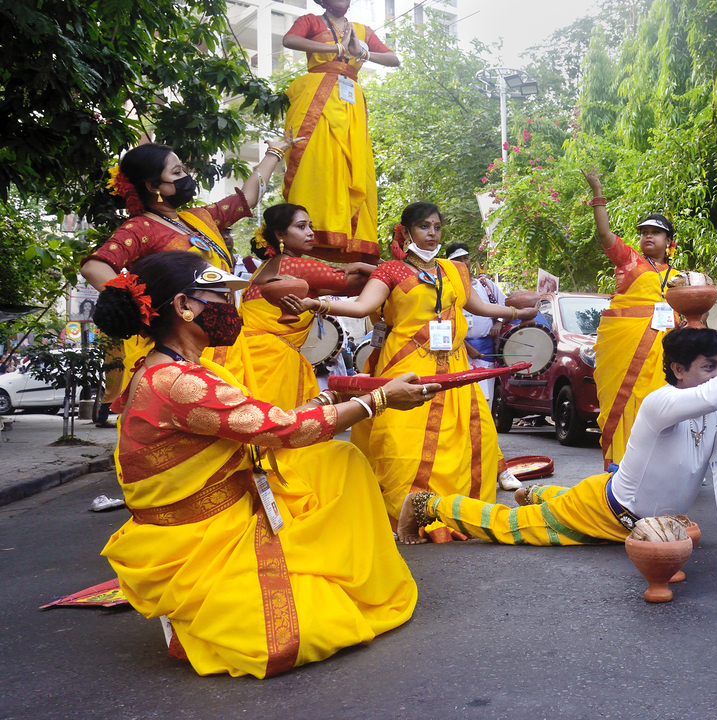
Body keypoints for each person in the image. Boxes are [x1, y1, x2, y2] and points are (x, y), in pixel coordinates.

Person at [90, 250, 437, 678]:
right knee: (309, 633)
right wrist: (378, 400)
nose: (231, 308)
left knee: (337, 459)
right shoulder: (178, 382)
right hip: (199, 535)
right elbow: (284, 431)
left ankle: (316, 573)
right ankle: (200, 605)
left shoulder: (178, 370)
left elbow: (264, 422)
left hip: (225, 510)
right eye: (220, 297)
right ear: (183, 306)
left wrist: (334, 396)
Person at [396, 327, 717, 551]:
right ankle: (425, 504)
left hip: (637, 516)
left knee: (562, 498)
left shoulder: (715, 407)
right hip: (601, 513)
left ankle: (535, 494)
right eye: (709, 367)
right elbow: (712, 394)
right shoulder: (661, 402)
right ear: (679, 370)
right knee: (506, 528)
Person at [284, 203, 537, 536]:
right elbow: (362, 307)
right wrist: (317, 304)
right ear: (406, 232)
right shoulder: (391, 271)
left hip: (454, 367)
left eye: (437, 227)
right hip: (405, 369)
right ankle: (402, 515)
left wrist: (518, 314)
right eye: (423, 226)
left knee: (475, 441)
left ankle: (456, 513)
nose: (432, 234)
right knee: (399, 445)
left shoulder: (454, 270)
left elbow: (479, 307)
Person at [80, 135, 299, 391]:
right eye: (177, 172)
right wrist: (139, 305)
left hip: (221, 334)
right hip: (181, 338)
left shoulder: (199, 218)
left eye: (183, 169)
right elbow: (94, 267)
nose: (186, 176)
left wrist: (274, 152)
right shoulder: (141, 228)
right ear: (153, 186)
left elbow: (246, 200)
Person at [280, 0, 400, 264]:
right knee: (318, 165)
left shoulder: (361, 30)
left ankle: (349, 238)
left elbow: (393, 59)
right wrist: (334, 47)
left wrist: (361, 53)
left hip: (350, 103)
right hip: (316, 99)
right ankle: (311, 229)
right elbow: (289, 40)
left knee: (352, 169)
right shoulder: (310, 21)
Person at [583, 166, 682, 467]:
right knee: (626, 404)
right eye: (644, 232)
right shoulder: (630, 261)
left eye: (656, 232)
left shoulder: (681, 278)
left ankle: (663, 466)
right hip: (625, 351)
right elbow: (604, 234)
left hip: (665, 354)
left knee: (662, 405)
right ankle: (624, 464)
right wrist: (597, 192)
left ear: (670, 242)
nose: (648, 236)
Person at [239, 203, 376, 410]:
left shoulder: (266, 268)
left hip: (251, 356)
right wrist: (363, 265)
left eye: (310, 226)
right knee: (279, 423)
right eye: (301, 227)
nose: (311, 233)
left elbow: (346, 288)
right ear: (280, 235)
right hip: (271, 360)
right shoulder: (293, 266)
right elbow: (371, 281)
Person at [447, 243, 508, 408]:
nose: (463, 263)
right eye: (458, 259)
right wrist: (466, 347)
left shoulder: (485, 285)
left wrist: (499, 323)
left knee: (485, 400)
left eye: (465, 258)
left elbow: (505, 305)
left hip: (485, 353)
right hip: (457, 352)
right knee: (462, 402)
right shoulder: (446, 289)